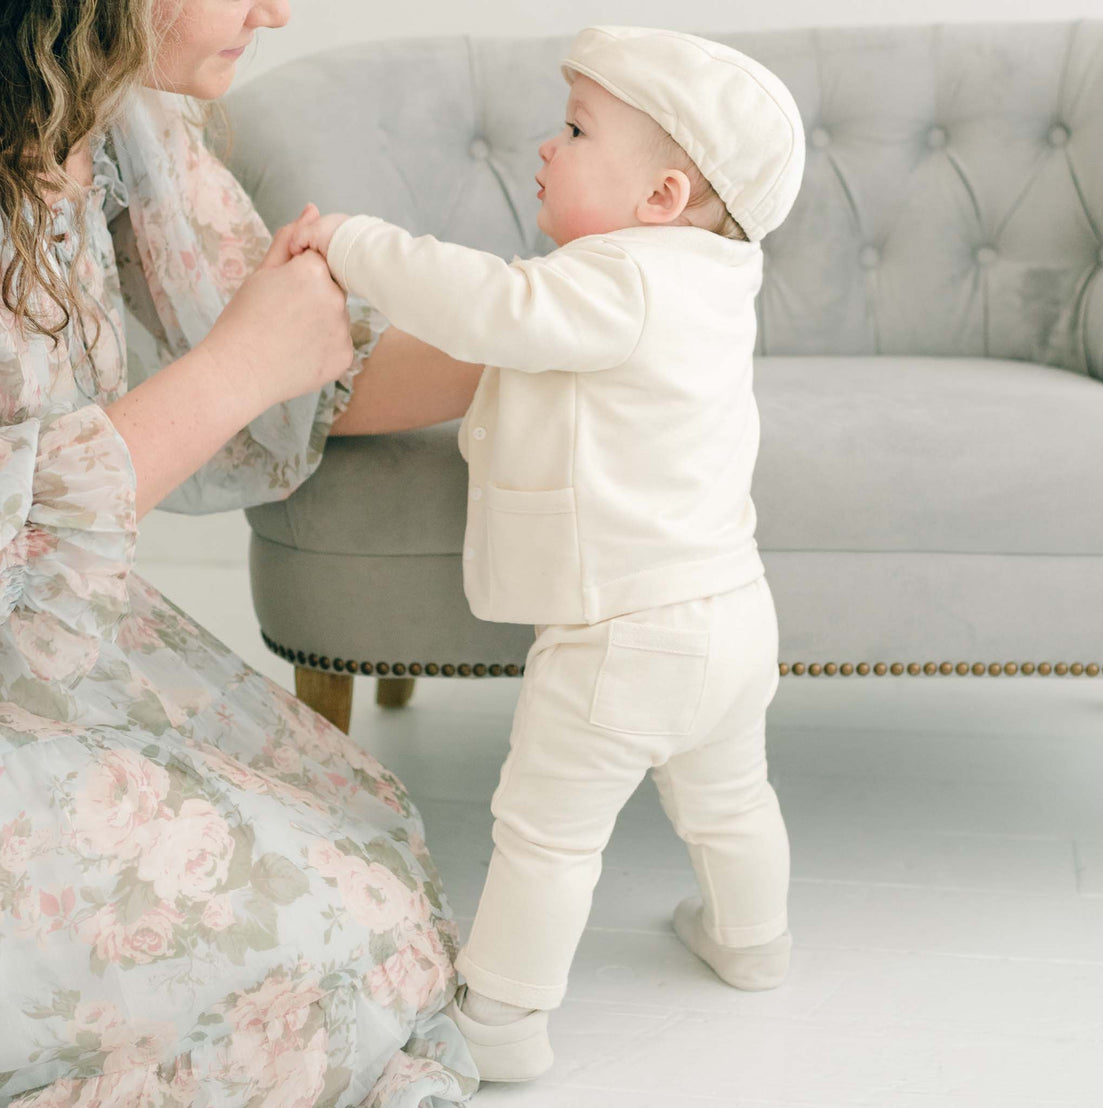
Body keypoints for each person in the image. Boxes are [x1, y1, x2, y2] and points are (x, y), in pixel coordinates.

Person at [292, 24, 807, 1083]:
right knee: (731, 799)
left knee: (545, 834)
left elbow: (493, 306)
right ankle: (752, 941)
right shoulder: (720, 280)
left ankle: (502, 1021)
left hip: (622, 633)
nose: (544, 144)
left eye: (574, 129)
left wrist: (352, 242)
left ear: (661, 197)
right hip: (732, 612)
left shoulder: (620, 280)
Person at [0, 1, 484, 1104]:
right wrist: (231, 370)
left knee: (367, 846)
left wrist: (578, 327)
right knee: (314, 951)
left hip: (53, 645)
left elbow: (313, 361)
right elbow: (250, 361)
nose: (275, 10)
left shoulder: (117, 114)